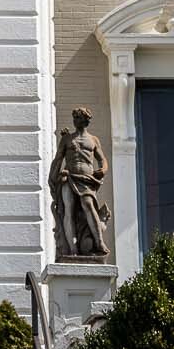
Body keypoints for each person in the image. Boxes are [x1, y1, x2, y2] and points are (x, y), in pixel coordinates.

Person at [48, 106, 111, 260]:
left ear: (86, 121)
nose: (76, 120)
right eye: (75, 118)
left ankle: (99, 242)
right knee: (68, 210)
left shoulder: (93, 140)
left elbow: (102, 159)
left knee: (89, 206)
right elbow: (58, 159)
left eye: (79, 118)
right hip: (68, 178)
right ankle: (72, 248)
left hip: (87, 180)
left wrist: (102, 169)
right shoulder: (67, 139)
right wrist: (54, 177)